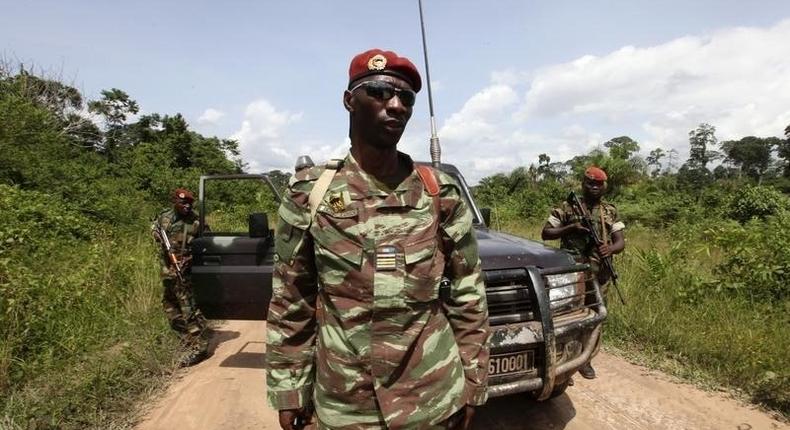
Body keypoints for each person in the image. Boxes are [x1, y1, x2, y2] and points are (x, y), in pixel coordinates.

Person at [266, 49, 490, 430]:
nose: (397, 105)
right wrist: (290, 389)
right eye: (381, 92)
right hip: (345, 402)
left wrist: (474, 380)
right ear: (349, 100)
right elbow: (292, 298)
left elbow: (468, 292)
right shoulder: (310, 193)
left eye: (407, 99)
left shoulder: (440, 192)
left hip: (433, 396)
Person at [541, 166, 625, 379]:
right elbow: (546, 233)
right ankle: (562, 361)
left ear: (604, 187)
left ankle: (586, 360)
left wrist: (610, 248)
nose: (594, 188)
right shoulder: (567, 207)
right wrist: (570, 228)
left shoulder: (610, 211)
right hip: (572, 273)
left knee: (596, 314)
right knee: (566, 313)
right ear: (583, 184)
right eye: (590, 184)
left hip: (600, 274)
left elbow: (620, 242)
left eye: (598, 185)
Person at [152, 188, 210, 367]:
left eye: (189, 203)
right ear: (174, 202)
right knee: (170, 308)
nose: (187, 206)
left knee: (188, 310)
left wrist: (191, 258)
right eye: (183, 202)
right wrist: (156, 235)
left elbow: (208, 245)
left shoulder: (196, 222)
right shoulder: (165, 217)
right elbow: (155, 230)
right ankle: (187, 339)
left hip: (185, 273)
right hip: (168, 272)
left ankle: (200, 347)